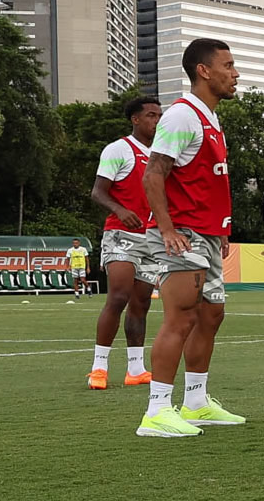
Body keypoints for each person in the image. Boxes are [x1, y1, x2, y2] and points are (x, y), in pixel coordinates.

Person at [136, 38, 244, 438]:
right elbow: (153, 174)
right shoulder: (182, 116)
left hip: (208, 234)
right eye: (228, 66)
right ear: (204, 70)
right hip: (182, 233)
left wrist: (221, 231)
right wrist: (166, 230)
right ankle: (157, 411)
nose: (235, 74)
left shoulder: (210, 119)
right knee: (180, 317)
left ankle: (196, 403)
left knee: (211, 315)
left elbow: (205, 182)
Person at [85, 96, 162, 390]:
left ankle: (136, 369)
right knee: (118, 297)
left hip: (152, 238)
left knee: (141, 303)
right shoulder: (119, 149)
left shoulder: (162, 154)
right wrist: (119, 209)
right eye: (151, 115)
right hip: (121, 234)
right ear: (136, 119)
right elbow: (97, 192)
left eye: (159, 116)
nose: (157, 121)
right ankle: (99, 368)